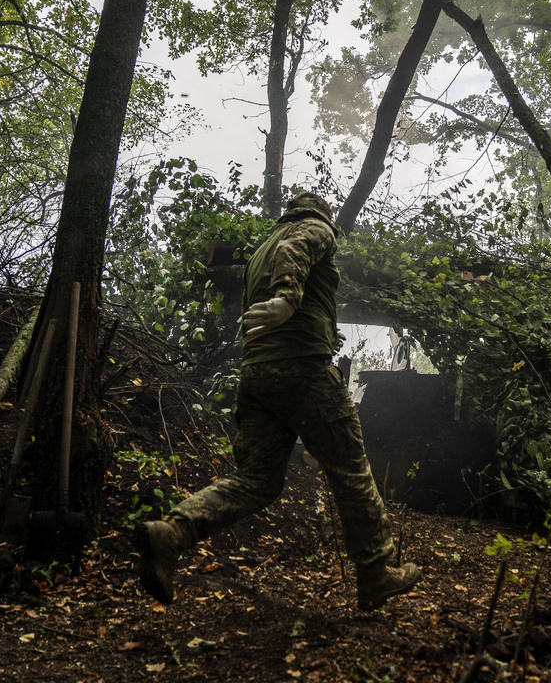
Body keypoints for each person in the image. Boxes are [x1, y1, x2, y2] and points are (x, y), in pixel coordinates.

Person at [135, 192, 421, 610]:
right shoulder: (313, 229)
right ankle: (375, 574)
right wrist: (289, 300)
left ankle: (173, 533)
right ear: (319, 215)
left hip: (258, 376)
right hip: (304, 374)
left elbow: (285, 297)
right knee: (350, 468)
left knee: (258, 480)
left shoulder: (259, 253)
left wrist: (319, 329)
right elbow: (296, 251)